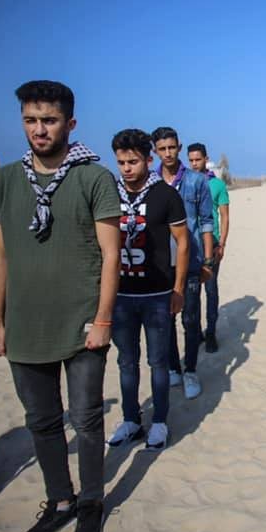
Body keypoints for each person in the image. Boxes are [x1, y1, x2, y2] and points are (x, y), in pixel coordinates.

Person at [0, 80, 120, 532]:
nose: (39, 130)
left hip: (83, 324)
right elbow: (0, 255)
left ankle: (91, 502)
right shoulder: (5, 181)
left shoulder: (94, 178)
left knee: (86, 420)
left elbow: (111, 255)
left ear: (70, 123)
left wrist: (103, 320)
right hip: (25, 325)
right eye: (30, 120)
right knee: (42, 422)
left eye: (49, 120)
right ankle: (60, 499)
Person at [107, 129, 190, 451]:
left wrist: (178, 289)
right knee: (126, 362)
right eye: (121, 163)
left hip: (157, 294)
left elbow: (183, 242)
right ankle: (131, 420)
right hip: (121, 296)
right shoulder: (109, 194)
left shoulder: (165, 195)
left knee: (158, 362)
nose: (127, 168)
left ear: (148, 159)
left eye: (133, 162)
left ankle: (159, 422)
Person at [151, 127, 214, 399]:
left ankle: (190, 370)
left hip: (191, 260)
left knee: (190, 318)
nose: (168, 153)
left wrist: (208, 261)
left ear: (179, 147)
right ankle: (174, 368)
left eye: (171, 147)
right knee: (165, 319)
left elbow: (206, 221)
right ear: (155, 151)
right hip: (159, 264)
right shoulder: (150, 182)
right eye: (162, 149)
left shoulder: (197, 181)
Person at [187, 142, 231, 353]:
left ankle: (211, 332)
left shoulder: (217, 185)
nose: (195, 164)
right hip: (190, 244)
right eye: (191, 160)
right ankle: (196, 332)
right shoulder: (185, 183)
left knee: (211, 289)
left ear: (206, 159)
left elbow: (224, 216)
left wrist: (222, 244)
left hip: (211, 243)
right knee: (192, 292)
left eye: (198, 159)